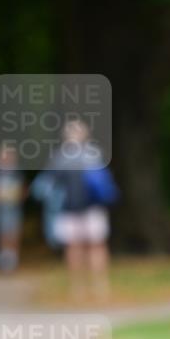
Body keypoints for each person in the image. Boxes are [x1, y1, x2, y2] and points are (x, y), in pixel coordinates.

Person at [48, 119, 117, 302]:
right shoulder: (77, 155)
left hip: (87, 208)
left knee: (94, 245)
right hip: (73, 209)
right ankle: (81, 287)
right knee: (75, 246)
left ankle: (97, 286)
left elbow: (53, 180)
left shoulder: (68, 156)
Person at [0, 142, 25, 272]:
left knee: (13, 233)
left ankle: (13, 260)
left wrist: (17, 196)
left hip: (13, 208)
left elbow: (22, 190)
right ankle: (4, 261)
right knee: (2, 234)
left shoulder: (17, 172)